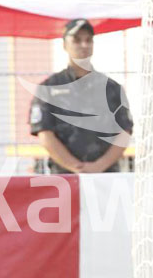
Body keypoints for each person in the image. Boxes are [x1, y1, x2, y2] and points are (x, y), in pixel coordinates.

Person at [29, 19, 134, 174]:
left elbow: (124, 132)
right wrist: (76, 167)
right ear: (65, 45)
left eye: (88, 40)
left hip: (106, 177)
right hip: (65, 178)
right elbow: (45, 134)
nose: (84, 45)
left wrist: (99, 166)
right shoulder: (49, 88)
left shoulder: (111, 88)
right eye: (77, 40)